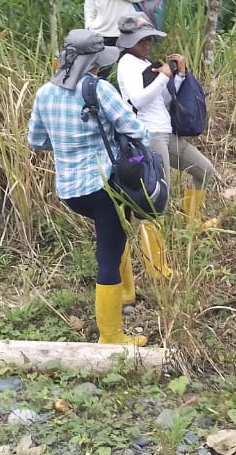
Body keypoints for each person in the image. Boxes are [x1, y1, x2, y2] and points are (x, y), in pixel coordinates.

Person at [28, 29, 151, 346]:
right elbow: (136, 131)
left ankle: (126, 294)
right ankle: (111, 336)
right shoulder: (99, 89)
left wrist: (67, 144)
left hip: (70, 192)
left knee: (115, 238)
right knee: (108, 254)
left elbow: (37, 141)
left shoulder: (44, 93)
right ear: (95, 62)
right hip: (104, 186)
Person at [114, 14, 217, 288]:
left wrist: (179, 76)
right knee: (157, 201)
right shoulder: (127, 63)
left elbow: (165, 99)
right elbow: (137, 100)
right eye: (142, 40)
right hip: (148, 134)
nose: (148, 44)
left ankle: (192, 225)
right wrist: (163, 78)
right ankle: (157, 269)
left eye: (150, 39)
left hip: (166, 132)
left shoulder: (146, 63)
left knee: (204, 170)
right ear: (129, 43)